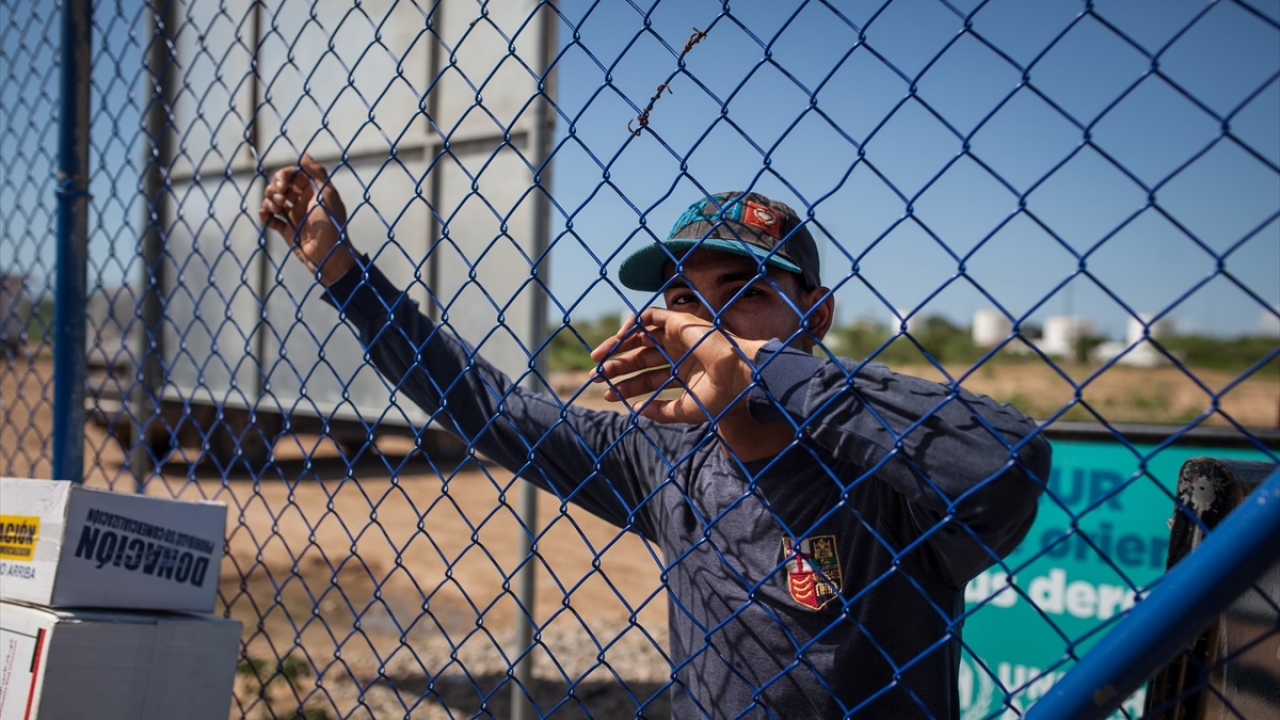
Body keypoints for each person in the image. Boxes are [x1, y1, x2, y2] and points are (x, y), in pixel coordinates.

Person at [260, 155, 1051, 719]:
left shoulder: (875, 470)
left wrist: (759, 372)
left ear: (813, 317)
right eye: (681, 298)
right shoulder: (662, 457)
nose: (699, 319)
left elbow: (1007, 459)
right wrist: (341, 273)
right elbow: (481, 403)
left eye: (739, 293)